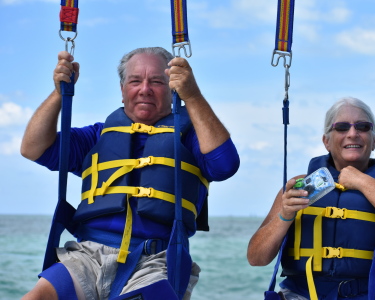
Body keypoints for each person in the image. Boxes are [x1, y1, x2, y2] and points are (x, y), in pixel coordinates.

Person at [20, 47, 240, 300]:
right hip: (88, 256)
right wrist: (59, 94)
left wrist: (193, 96)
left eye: (157, 81)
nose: (145, 88)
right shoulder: (96, 136)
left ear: (172, 89)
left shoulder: (191, 139)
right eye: (135, 80)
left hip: (156, 261)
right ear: (122, 90)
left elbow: (225, 166)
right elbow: (32, 148)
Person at [247, 97, 375, 300]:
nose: (352, 134)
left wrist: (361, 181)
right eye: (341, 127)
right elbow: (256, 258)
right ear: (326, 141)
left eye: (363, 127)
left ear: (374, 140)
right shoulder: (298, 188)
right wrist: (285, 215)